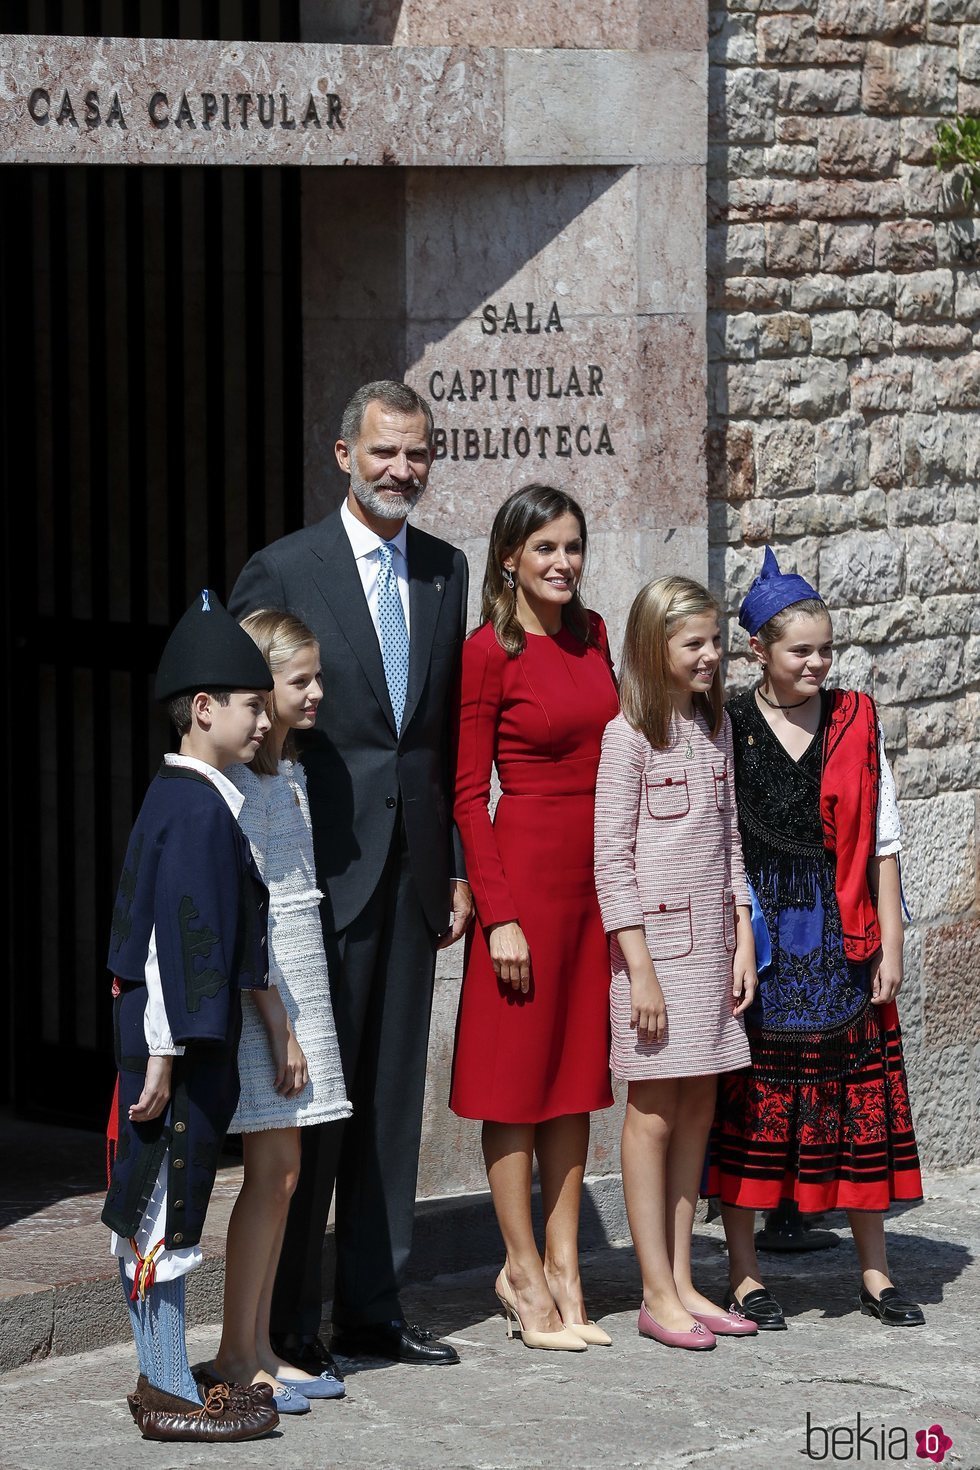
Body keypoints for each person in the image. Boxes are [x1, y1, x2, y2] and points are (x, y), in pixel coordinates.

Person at [229, 380, 471, 1370]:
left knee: (388, 1104)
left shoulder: (448, 572)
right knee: (313, 1104)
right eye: (383, 453)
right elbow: (245, 728)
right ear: (342, 455)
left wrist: (453, 867)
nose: (400, 471)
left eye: (415, 454)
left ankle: (373, 1305)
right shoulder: (284, 568)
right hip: (317, 873)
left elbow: (443, 738)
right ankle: (288, 1324)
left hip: (412, 875)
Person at [710, 547, 925, 1330]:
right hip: (758, 940)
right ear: (758, 651)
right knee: (752, 1108)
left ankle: (874, 1274)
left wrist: (892, 941)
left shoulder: (856, 719)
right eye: (800, 650)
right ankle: (744, 1274)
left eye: (826, 649)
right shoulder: (727, 722)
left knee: (858, 1100)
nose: (817, 663)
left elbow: (885, 840)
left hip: (842, 937)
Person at [101, 589, 280, 1442]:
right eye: (252, 706)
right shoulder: (198, 808)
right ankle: (167, 1386)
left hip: (167, 1044)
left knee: (161, 1210)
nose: (263, 722)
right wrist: (166, 1054)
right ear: (203, 709)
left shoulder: (187, 798)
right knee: (163, 1213)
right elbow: (171, 941)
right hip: (170, 1049)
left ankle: (161, 1377)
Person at [451, 484, 618, 1352]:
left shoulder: (594, 638)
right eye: (545, 547)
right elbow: (468, 794)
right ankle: (520, 1269)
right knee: (515, 1085)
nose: (562, 562)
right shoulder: (489, 650)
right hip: (525, 875)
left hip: (595, 881)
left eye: (574, 547)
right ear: (509, 556)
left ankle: (566, 1266)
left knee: (575, 1078)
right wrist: (498, 915)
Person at [594, 576, 759, 1352]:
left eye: (714, 640)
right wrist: (642, 971)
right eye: (694, 642)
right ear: (654, 646)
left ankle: (686, 1277)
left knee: (698, 1107)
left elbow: (728, 841)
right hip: (655, 959)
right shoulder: (627, 735)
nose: (710, 655)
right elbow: (611, 863)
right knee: (654, 1111)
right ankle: (654, 1292)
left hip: (714, 953)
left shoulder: (715, 724)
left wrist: (744, 930)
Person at [196, 611, 352, 1414]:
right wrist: (280, 1024)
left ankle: (257, 1345)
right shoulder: (244, 784)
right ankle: (234, 1350)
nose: (316, 692)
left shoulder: (290, 771)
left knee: (286, 1174)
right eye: (300, 681)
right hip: (269, 991)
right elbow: (247, 910)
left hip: (300, 975)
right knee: (269, 1171)